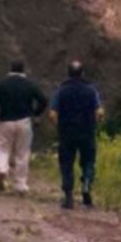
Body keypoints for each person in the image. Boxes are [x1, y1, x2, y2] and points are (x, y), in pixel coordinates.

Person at [0, 60, 48, 193]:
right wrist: (35, 113)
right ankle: (20, 184)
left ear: (11, 69)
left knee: (2, 148)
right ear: (23, 70)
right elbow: (43, 100)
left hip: (5, 121)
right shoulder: (29, 84)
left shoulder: (2, 84)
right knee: (22, 152)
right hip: (24, 121)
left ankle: (2, 170)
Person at [49, 60, 104, 209]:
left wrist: (59, 126)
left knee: (66, 163)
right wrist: (94, 124)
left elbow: (52, 114)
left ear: (68, 73)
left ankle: (68, 196)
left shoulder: (61, 91)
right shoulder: (91, 90)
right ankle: (86, 184)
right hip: (87, 131)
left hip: (67, 132)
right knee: (88, 161)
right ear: (83, 73)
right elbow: (99, 112)